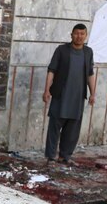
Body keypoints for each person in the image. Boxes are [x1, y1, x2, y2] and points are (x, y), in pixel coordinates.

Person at [42, 23, 97, 165]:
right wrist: (47, 90)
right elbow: (51, 70)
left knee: (72, 130)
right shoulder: (62, 50)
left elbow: (90, 74)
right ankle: (51, 156)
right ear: (71, 34)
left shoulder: (88, 52)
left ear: (86, 36)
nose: (79, 36)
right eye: (76, 33)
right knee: (54, 126)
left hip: (78, 97)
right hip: (61, 95)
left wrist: (93, 93)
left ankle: (64, 156)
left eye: (82, 34)